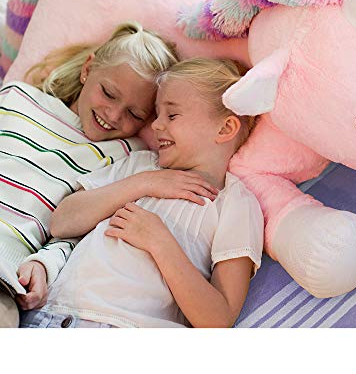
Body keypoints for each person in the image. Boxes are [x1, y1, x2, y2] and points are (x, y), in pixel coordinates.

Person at [20, 58, 264, 328]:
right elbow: (62, 222)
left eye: (172, 115)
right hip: (47, 313)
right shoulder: (139, 164)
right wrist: (144, 183)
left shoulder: (234, 203)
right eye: (156, 114)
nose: (156, 125)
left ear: (225, 128)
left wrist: (160, 242)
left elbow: (217, 321)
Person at [0, 22, 214, 328]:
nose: (113, 115)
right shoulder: (18, 98)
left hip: (7, 269)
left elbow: (79, 236)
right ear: (88, 69)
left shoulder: (125, 155)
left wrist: (44, 264)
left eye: (135, 114)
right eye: (109, 93)